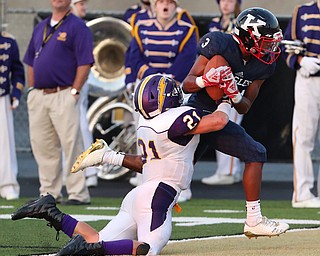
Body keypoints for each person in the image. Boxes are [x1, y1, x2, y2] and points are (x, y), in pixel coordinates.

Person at [12, 74, 234, 255]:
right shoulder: (175, 119)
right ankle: (91, 249)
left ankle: (51, 212)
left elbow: (146, 162)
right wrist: (226, 99)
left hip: (139, 195)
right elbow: (219, 121)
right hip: (159, 196)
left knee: (97, 237)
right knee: (147, 251)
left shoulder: (145, 123)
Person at [182, 7, 287, 233]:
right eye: (266, 42)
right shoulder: (221, 45)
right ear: (248, 36)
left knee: (256, 153)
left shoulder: (264, 64)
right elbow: (187, 84)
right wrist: (206, 80)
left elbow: (245, 106)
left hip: (222, 113)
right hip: (196, 111)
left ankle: (254, 220)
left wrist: (234, 94)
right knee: (172, 169)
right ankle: (109, 157)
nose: (271, 48)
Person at [126, 0, 198, 202]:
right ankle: (146, 181)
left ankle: (183, 186)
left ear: (176, 6)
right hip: (146, 90)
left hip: (174, 89)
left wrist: (166, 80)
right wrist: (151, 78)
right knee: (145, 133)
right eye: (161, 2)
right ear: (154, 6)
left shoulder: (186, 29)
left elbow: (187, 58)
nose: (165, 5)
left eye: (169, 2)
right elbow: (134, 57)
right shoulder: (141, 27)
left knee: (179, 138)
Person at [23, 0, 93, 205]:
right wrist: (32, 89)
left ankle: (78, 193)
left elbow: (85, 62)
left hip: (64, 93)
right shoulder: (41, 26)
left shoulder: (78, 26)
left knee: (72, 145)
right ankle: (49, 193)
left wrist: (74, 91)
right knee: (43, 147)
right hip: (39, 95)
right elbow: (30, 61)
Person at [281, 1, 320, 208]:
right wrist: (299, 61)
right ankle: (302, 193)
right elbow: (287, 44)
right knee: (303, 136)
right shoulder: (302, 11)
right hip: (307, 79)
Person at [201, 0, 243, 185]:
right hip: (215, 78)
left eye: (230, 0)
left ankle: (229, 171)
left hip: (233, 78)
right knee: (221, 122)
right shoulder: (214, 23)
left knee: (230, 122)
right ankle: (227, 170)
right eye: (223, 0)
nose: (226, 4)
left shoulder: (240, 24)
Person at [70, 0, 99, 188]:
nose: (84, 7)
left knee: (80, 127)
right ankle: (80, 172)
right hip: (66, 83)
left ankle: (90, 171)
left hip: (75, 83)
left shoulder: (80, 27)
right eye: (80, 3)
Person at [0, 31, 25, 200]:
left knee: (5, 143)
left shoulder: (9, 41)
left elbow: (17, 71)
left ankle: (8, 185)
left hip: (2, 96)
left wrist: (16, 92)